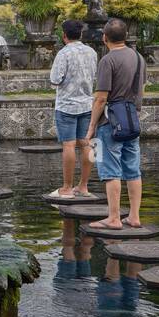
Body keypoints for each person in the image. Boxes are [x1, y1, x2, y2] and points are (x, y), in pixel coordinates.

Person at [86, 18, 146, 230]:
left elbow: (101, 98)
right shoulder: (139, 58)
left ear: (104, 38)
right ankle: (134, 216)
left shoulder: (107, 61)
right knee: (133, 169)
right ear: (126, 36)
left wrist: (92, 126)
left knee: (110, 170)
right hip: (132, 120)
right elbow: (140, 90)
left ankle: (113, 218)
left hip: (109, 122)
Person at [48, 19, 97, 198]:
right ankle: (83, 186)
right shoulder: (92, 52)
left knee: (68, 145)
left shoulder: (64, 53)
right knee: (87, 145)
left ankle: (67, 188)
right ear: (81, 34)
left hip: (67, 105)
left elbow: (55, 79)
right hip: (87, 104)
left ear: (64, 35)